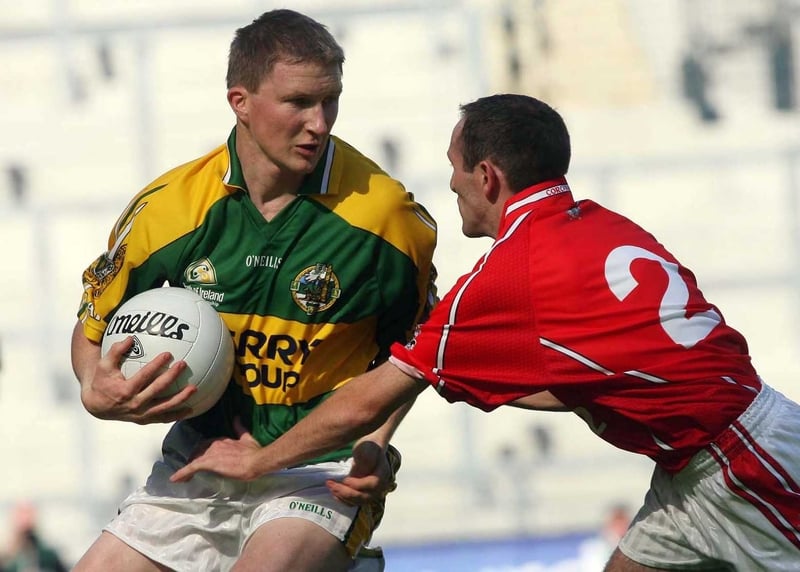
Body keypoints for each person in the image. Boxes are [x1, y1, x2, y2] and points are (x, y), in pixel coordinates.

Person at [172, 94, 800, 571]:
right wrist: (461, 378)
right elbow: (596, 378)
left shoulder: (510, 273)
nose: (449, 184)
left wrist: (258, 460)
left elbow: (368, 399)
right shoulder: (602, 224)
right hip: (701, 462)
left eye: (455, 167)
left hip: (745, 468)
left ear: (488, 176)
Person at [70, 9, 437, 572]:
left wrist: (376, 440)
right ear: (240, 101)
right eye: (298, 103)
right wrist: (94, 386)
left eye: (330, 100)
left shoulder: (384, 216)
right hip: (201, 460)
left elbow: (416, 348)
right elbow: (94, 323)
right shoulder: (169, 209)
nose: (320, 122)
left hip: (322, 469)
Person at [1, 501, 69, 572]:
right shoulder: (6, 559)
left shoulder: (49, 556)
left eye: (27, 513)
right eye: (21, 514)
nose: (25, 519)